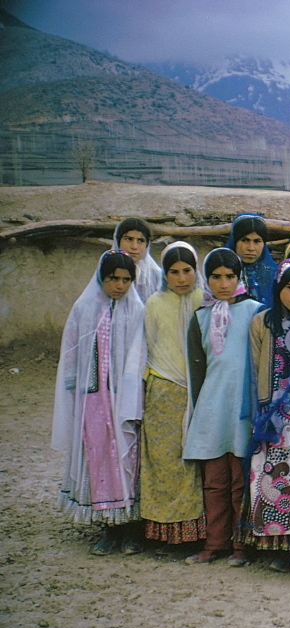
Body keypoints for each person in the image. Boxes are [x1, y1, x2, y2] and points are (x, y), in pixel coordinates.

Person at [52, 250, 146, 555]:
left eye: (126, 279)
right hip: (93, 401)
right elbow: (72, 352)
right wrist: (74, 390)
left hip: (126, 400)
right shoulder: (85, 309)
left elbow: (141, 355)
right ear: (101, 278)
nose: (119, 285)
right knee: (99, 458)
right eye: (113, 279)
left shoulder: (138, 311)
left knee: (128, 458)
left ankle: (131, 529)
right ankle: (108, 528)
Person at [184, 248, 261, 566]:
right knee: (214, 482)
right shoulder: (200, 317)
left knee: (240, 482)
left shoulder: (256, 311)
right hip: (212, 410)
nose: (223, 283)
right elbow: (197, 371)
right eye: (216, 276)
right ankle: (214, 544)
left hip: (242, 411)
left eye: (230, 276)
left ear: (239, 277)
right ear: (207, 278)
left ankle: (241, 547)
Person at [238, 258, 290, 572]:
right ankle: (272, 544)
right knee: (270, 472)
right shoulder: (262, 321)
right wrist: (261, 411)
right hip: (272, 416)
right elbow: (255, 370)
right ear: (278, 287)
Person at [141, 242, 206, 551]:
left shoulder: (204, 300)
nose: (181, 278)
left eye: (187, 271)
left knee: (191, 463)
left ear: (196, 271)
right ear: (164, 274)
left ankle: (193, 534)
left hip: (199, 392)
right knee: (164, 461)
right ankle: (163, 534)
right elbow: (148, 348)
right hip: (164, 392)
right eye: (174, 272)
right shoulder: (154, 303)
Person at [226, 213, 278, 308]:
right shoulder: (221, 271)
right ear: (234, 241)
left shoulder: (274, 275)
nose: (251, 248)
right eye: (245, 240)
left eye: (257, 241)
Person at [113, 218, 162, 302]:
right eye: (128, 239)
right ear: (118, 241)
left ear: (147, 245)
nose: (134, 246)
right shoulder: (105, 271)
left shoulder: (156, 275)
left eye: (140, 240)